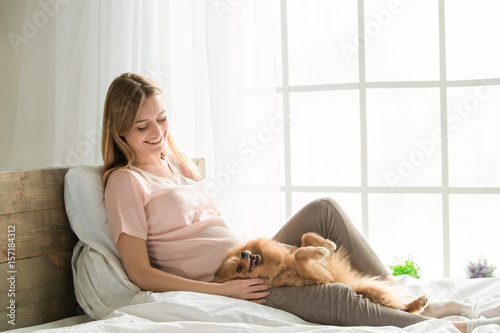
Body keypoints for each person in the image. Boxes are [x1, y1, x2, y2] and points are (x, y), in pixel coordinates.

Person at [101, 73, 497, 333]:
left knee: (323, 209)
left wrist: (279, 251)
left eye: (162, 118)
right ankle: (420, 328)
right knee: (337, 296)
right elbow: (140, 273)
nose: (158, 132)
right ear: (119, 130)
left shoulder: (178, 161)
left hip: (252, 254)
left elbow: (214, 227)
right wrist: (222, 293)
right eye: (142, 126)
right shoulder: (125, 181)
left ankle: (405, 301)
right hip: (229, 279)